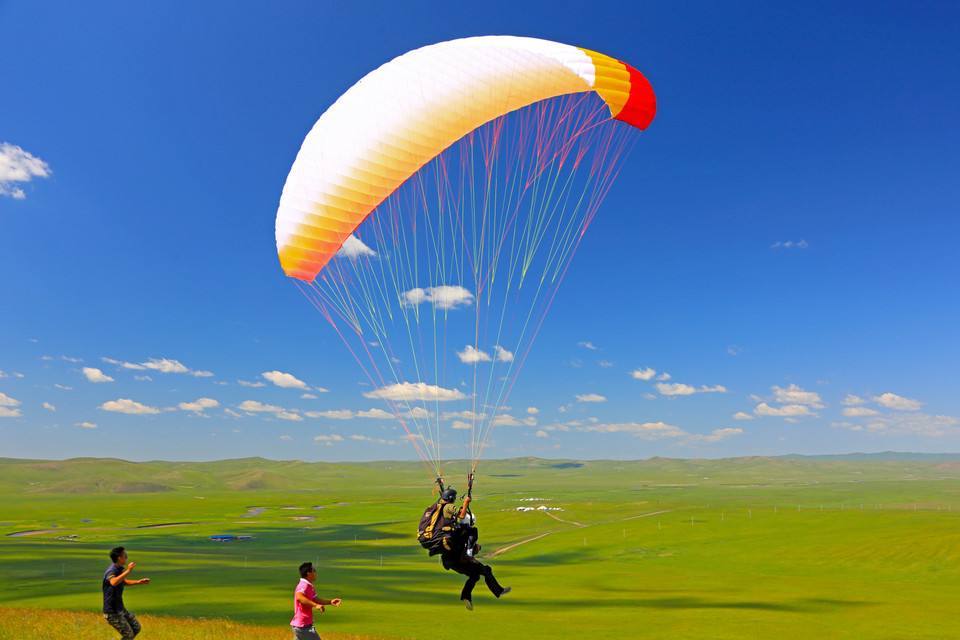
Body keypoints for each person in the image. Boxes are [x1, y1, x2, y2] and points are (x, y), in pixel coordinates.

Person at [435, 487, 511, 610]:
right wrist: (465, 503)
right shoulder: (467, 531)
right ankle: (498, 591)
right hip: (460, 559)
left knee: (475, 576)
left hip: (449, 561)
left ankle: (466, 597)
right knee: (486, 570)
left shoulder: (452, 530)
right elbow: (467, 546)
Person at [102, 546, 150, 640]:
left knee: (136, 628)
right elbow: (114, 582)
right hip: (112, 611)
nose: (127, 557)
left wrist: (138, 582)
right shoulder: (112, 570)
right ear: (119, 558)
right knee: (128, 635)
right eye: (125, 555)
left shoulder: (119, 569)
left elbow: (122, 582)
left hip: (120, 608)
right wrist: (128, 570)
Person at [291, 561, 342, 640]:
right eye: (314, 570)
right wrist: (315, 605)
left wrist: (330, 602)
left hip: (301, 625)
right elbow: (299, 597)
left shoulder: (309, 585)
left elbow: (316, 599)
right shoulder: (304, 585)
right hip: (303, 626)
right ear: (308, 573)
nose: (315, 573)